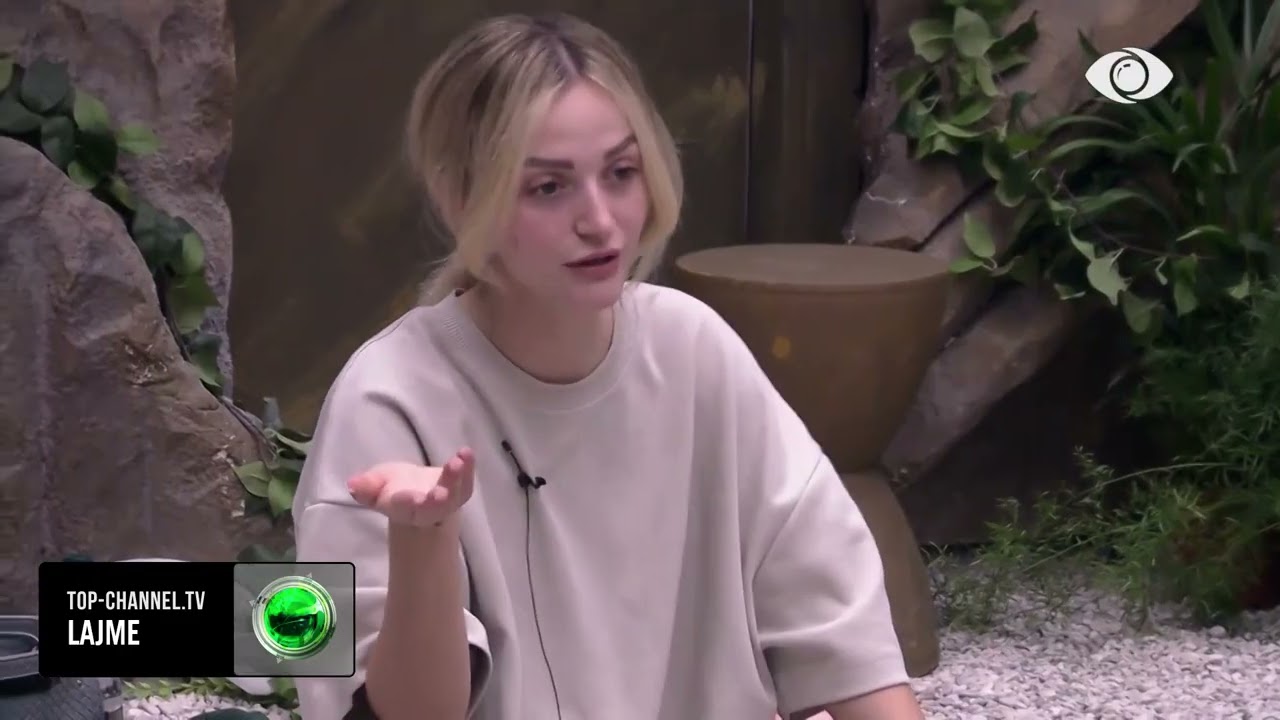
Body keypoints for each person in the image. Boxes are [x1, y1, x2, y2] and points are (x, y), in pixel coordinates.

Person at [290, 12, 926, 720]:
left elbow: (846, 642)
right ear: (460, 198)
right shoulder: (386, 400)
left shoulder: (696, 351)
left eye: (621, 173)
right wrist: (423, 541)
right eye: (548, 187)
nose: (600, 220)